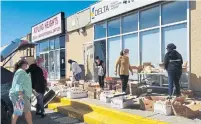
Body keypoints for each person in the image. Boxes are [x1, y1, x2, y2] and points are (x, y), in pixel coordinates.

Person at [9, 59, 33, 124]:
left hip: (21, 94)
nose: (27, 65)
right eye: (27, 64)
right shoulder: (21, 72)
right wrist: (20, 96)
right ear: (24, 65)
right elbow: (18, 84)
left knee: (22, 112)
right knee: (22, 112)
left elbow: (24, 84)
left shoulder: (21, 72)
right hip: (21, 95)